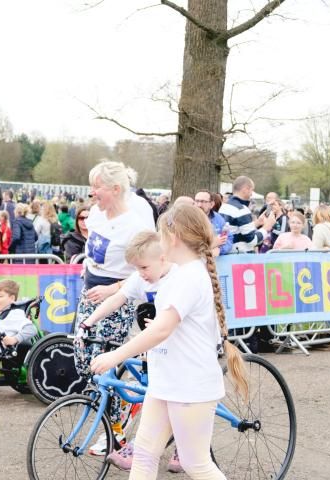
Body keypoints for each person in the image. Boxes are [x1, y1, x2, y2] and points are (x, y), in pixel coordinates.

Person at [90, 204, 247, 479]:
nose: (158, 241)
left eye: (160, 235)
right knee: (144, 455)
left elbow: (161, 329)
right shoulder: (183, 273)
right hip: (167, 382)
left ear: (172, 237)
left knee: (195, 463)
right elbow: (165, 329)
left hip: (189, 385)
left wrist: (115, 356)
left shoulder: (188, 277)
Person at [74, 231, 176, 470]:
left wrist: (165, 327)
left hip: (183, 350)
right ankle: (140, 445)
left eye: (143, 268)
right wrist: (88, 322)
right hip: (161, 345)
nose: (140, 274)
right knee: (153, 395)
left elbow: (172, 325)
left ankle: (179, 447)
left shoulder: (178, 279)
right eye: (136, 269)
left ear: (162, 258)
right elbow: (117, 299)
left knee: (196, 456)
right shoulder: (143, 277)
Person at [72, 161, 147, 430]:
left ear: (115, 189)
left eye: (97, 187)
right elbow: (93, 251)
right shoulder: (95, 213)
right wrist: (87, 268)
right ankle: (123, 404)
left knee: (105, 365)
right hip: (89, 293)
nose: (92, 193)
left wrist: (112, 289)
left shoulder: (135, 226)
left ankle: (114, 428)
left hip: (117, 298)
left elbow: (145, 272)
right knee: (82, 358)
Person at [218, 176, 276, 253]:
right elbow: (252, 240)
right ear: (245, 189)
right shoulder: (241, 209)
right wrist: (267, 227)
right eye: (251, 190)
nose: (251, 194)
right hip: (240, 257)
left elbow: (238, 229)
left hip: (228, 254)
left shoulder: (224, 206)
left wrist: (257, 223)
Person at [194, 190, 232, 257]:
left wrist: (220, 250)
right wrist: (211, 246)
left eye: (203, 202)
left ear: (211, 204)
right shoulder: (188, 219)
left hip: (215, 261)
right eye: (197, 201)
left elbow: (228, 238)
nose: (199, 205)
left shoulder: (218, 218)